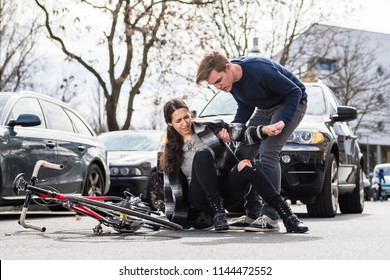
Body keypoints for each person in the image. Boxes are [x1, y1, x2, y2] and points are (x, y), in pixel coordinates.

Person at [196, 50, 307, 232]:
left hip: (291, 103)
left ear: (228, 68)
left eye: (218, 81)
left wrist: (283, 121)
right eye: (213, 84)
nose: (218, 87)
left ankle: (271, 216)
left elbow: (294, 92)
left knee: (268, 151)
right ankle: (253, 213)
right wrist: (233, 130)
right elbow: (245, 105)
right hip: (265, 109)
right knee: (242, 154)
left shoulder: (259, 69)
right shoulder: (231, 83)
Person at [159, 98, 308, 233]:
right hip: (200, 198)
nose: (184, 123)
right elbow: (170, 189)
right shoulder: (169, 149)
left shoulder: (209, 128)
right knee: (202, 154)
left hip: (225, 192)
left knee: (245, 164)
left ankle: (287, 216)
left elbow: (241, 133)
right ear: (170, 123)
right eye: (178, 121)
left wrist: (263, 130)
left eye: (186, 117)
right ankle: (218, 213)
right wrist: (172, 220)